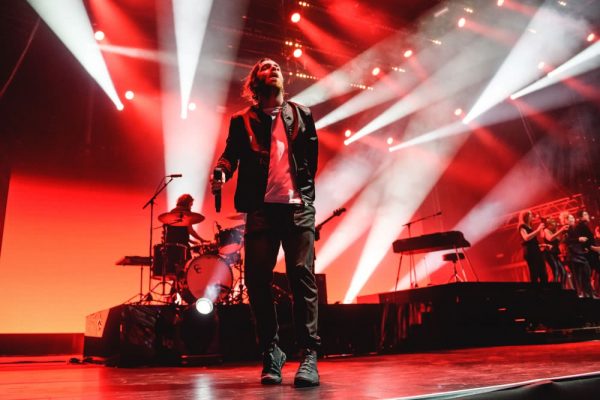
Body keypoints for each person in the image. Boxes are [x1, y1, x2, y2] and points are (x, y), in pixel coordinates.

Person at [211, 58, 320, 387]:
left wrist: (305, 196)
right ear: (255, 83)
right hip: (261, 210)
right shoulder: (242, 120)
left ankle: (309, 354)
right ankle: (272, 351)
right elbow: (230, 154)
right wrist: (221, 171)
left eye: (276, 67)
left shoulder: (302, 114)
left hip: (297, 207)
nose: (273, 68)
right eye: (265, 67)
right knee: (257, 279)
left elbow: (310, 159)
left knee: (301, 274)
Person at [565, 213, 594, 298]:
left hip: (579, 254)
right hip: (573, 256)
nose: (572, 219)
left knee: (586, 274)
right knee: (578, 278)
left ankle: (588, 294)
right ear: (565, 220)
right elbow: (567, 241)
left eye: (573, 217)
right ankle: (581, 295)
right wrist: (578, 239)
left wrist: (583, 248)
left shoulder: (574, 228)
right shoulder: (565, 229)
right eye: (570, 218)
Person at [518, 210, 547, 283]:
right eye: (530, 214)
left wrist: (541, 245)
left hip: (536, 251)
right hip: (530, 252)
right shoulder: (522, 226)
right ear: (526, 217)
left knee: (543, 273)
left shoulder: (530, 227)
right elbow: (526, 238)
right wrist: (538, 230)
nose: (532, 216)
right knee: (534, 273)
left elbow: (532, 241)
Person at [542, 217, 568, 287]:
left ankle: (562, 288)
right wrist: (561, 230)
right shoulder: (546, 230)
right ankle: (555, 289)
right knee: (556, 272)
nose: (555, 224)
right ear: (548, 225)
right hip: (549, 253)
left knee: (564, 272)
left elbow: (557, 243)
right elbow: (550, 238)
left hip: (555, 253)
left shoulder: (554, 231)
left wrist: (563, 238)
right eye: (552, 222)